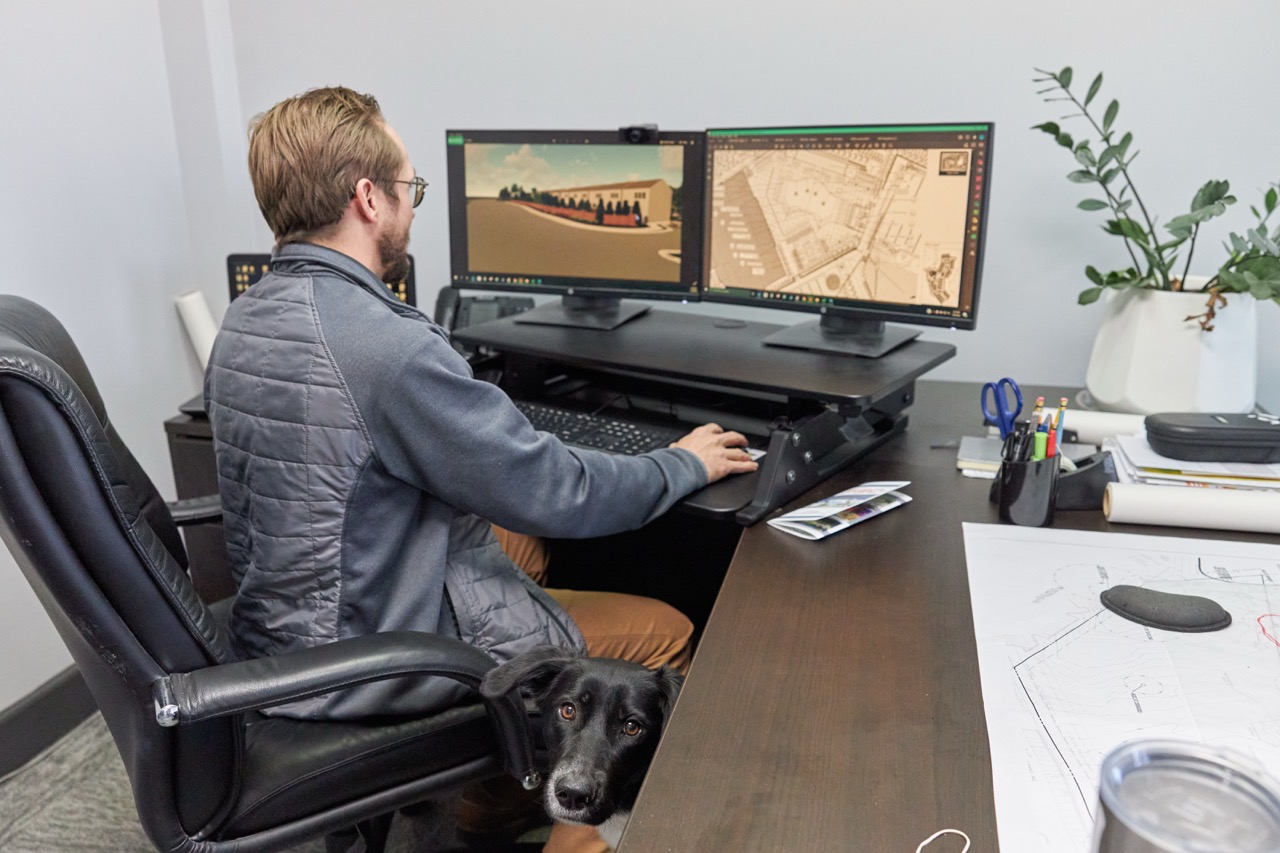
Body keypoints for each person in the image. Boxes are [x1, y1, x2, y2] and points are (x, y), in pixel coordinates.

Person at [204, 86, 756, 852]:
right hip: (369, 653)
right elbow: (561, 489)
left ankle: (493, 800)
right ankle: (579, 828)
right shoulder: (383, 345)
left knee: (516, 542)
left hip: (285, 624)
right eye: (409, 188)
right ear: (368, 198)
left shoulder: (248, 316)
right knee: (664, 635)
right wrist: (679, 462)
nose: (413, 206)